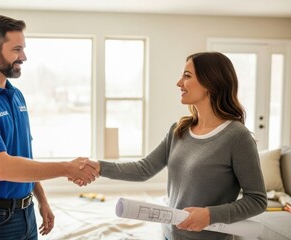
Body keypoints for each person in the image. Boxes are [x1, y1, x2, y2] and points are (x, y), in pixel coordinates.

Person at [80, 52, 267, 240]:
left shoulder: (237, 137)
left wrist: (210, 215)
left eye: (187, 76)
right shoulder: (179, 130)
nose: (179, 83)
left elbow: (257, 200)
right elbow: (144, 169)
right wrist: (99, 167)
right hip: (170, 234)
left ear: (210, 82)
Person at [0, 15, 98, 240]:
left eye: (23, 49)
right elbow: (4, 168)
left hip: (25, 214)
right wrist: (67, 168)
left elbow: (23, 157)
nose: (24, 57)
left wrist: (41, 200)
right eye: (16, 49)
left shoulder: (16, 96)